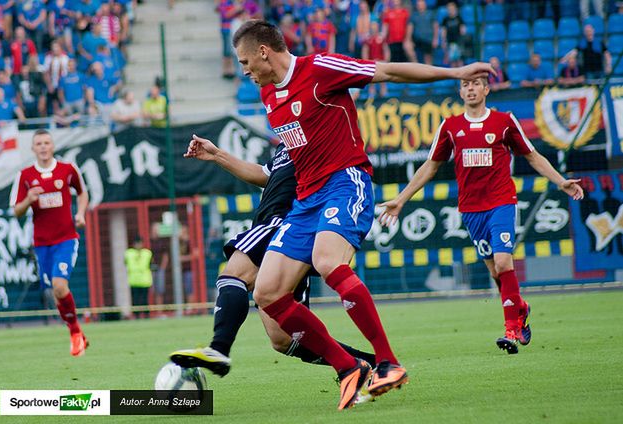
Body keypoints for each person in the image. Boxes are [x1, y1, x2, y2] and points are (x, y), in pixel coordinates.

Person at [225, 20, 493, 410]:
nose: (244, 69)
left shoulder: (319, 70)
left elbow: (386, 70)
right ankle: (348, 367)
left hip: (345, 182)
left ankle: (388, 362)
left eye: (246, 61)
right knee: (267, 294)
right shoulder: (269, 95)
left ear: (264, 51)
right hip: (306, 199)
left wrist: (454, 72)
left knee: (327, 260)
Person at [378, 77, 584, 354]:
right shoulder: (450, 126)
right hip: (471, 209)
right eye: (465, 85)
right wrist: (402, 199)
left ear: (486, 89)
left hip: (502, 201)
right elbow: (431, 166)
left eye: (476, 84)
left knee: (503, 261)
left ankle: (511, 329)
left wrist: (561, 182)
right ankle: (520, 308)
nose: (471, 88)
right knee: (495, 271)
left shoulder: (505, 121)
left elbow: (532, 156)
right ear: (460, 91)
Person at [170, 137, 376, 380]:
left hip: (284, 223)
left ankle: (219, 348)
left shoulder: (316, 137)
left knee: (233, 276)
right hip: (288, 233)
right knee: (284, 339)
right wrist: (217, 156)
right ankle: (367, 364)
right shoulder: (286, 144)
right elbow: (264, 174)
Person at [10, 129, 89, 356]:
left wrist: (81, 213)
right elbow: (16, 211)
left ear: (52, 146)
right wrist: (28, 200)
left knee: (59, 285)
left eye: (47, 142)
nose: (43, 147)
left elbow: (82, 193)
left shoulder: (67, 169)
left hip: (66, 239)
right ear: (33, 148)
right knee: (55, 294)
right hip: (42, 243)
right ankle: (78, 334)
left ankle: (74, 333)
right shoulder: (25, 175)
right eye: (39, 143)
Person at [125, 236, 153, 319]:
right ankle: (136, 315)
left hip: (145, 280)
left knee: (145, 299)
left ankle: (146, 315)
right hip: (133, 280)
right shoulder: (129, 253)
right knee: (135, 300)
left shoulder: (147, 253)